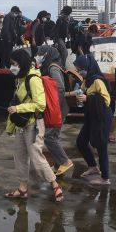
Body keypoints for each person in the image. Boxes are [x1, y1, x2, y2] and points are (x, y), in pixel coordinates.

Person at [4, 49, 64, 203]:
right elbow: (16, 101)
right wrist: (10, 127)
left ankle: (55, 185)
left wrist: (18, 109)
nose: (12, 67)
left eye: (14, 64)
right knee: (20, 156)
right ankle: (22, 188)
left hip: (33, 125)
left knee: (37, 158)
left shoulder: (33, 79)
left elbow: (40, 104)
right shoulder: (19, 79)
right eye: (11, 64)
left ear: (22, 63)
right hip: (21, 124)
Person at [71, 54, 113, 185]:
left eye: (79, 69)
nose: (78, 72)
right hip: (92, 114)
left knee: (101, 145)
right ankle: (93, 166)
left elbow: (106, 101)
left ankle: (105, 178)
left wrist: (88, 99)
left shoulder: (97, 81)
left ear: (87, 67)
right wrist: (67, 94)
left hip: (102, 115)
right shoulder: (87, 80)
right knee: (81, 141)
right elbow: (81, 91)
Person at [36, 45, 73, 176]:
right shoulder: (52, 66)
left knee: (49, 136)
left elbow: (60, 88)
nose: (39, 56)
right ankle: (58, 165)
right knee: (55, 136)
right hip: (60, 108)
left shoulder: (52, 68)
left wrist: (52, 102)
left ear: (48, 54)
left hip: (57, 109)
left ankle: (65, 161)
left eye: (41, 54)